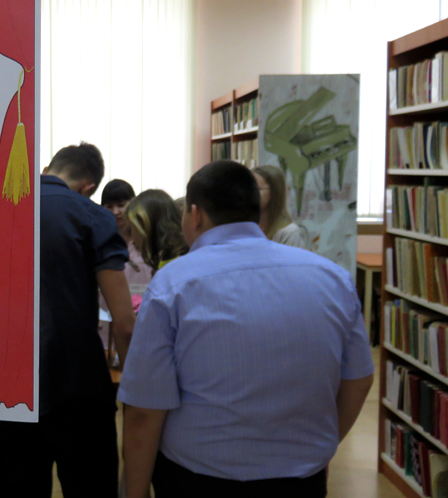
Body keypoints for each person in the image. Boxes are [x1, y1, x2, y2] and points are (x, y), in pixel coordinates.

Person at [119, 160, 374, 498]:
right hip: (300, 480)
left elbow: (144, 410)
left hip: (198, 479)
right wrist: (319, 446)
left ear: (195, 215)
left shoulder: (173, 284)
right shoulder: (332, 278)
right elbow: (359, 378)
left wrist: (133, 492)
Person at [0, 142, 136, 498]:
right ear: (89, 187)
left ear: (46, 169)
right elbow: (124, 321)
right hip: (79, 385)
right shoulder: (92, 216)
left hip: (9, 387)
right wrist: (136, 396)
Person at [100, 179, 152, 313]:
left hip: (146, 308)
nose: (116, 211)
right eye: (109, 206)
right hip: (109, 311)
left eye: (121, 205)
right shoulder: (100, 240)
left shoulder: (146, 239)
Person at [125, 189, 188, 274]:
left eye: (131, 229)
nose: (132, 236)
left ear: (145, 226)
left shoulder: (174, 266)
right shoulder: (172, 258)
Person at [253, 164, 308, 248]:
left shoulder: (290, 233)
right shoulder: (247, 229)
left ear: (274, 193)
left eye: (257, 189)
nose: (250, 193)